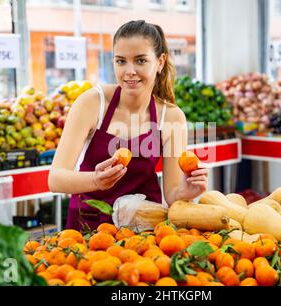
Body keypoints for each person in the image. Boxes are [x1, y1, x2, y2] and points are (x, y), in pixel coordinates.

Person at [48, 20, 209, 231]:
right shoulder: (93, 104)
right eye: (121, 61)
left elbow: (171, 194)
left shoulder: (171, 117)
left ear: (160, 62)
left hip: (143, 227)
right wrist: (96, 181)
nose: (129, 71)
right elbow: (55, 179)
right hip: (88, 225)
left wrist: (185, 192)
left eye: (140, 61)